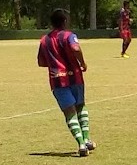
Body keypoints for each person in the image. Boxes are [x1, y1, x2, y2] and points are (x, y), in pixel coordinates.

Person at [37, 9, 95, 157]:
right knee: (80, 106)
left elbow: (41, 62)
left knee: (69, 112)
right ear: (64, 21)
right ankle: (87, 138)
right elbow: (75, 47)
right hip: (75, 77)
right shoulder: (69, 35)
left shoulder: (44, 40)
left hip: (57, 80)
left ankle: (81, 143)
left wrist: (54, 63)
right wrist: (82, 63)